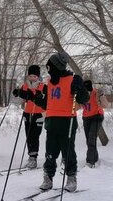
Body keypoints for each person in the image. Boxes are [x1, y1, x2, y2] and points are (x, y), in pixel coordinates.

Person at [18, 52, 88, 192]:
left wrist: (80, 86)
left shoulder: (71, 79)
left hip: (67, 120)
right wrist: (32, 97)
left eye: (49, 67)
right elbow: (45, 103)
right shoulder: (49, 83)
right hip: (51, 121)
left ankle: (71, 178)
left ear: (55, 67)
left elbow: (83, 99)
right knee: (50, 152)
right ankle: (48, 177)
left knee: (68, 151)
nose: (48, 69)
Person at [11, 64, 45, 169]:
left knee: (35, 136)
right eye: (30, 76)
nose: (32, 78)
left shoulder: (43, 86)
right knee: (29, 136)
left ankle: (33, 158)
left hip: (38, 113)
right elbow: (20, 100)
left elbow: (46, 101)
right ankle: (30, 156)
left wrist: (39, 97)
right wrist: (17, 93)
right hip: (28, 113)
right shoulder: (25, 86)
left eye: (34, 76)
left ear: (38, 77)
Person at [81, 79, 108, 168]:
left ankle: (90, 162)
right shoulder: (81, 95)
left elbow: (105, 105)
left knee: (92, 138)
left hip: (97, 116)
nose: (87, 92)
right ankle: (95, 157)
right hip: (86, 118)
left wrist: (102, 96)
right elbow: (77, 106)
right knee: (88, 140)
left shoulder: (96, 93)